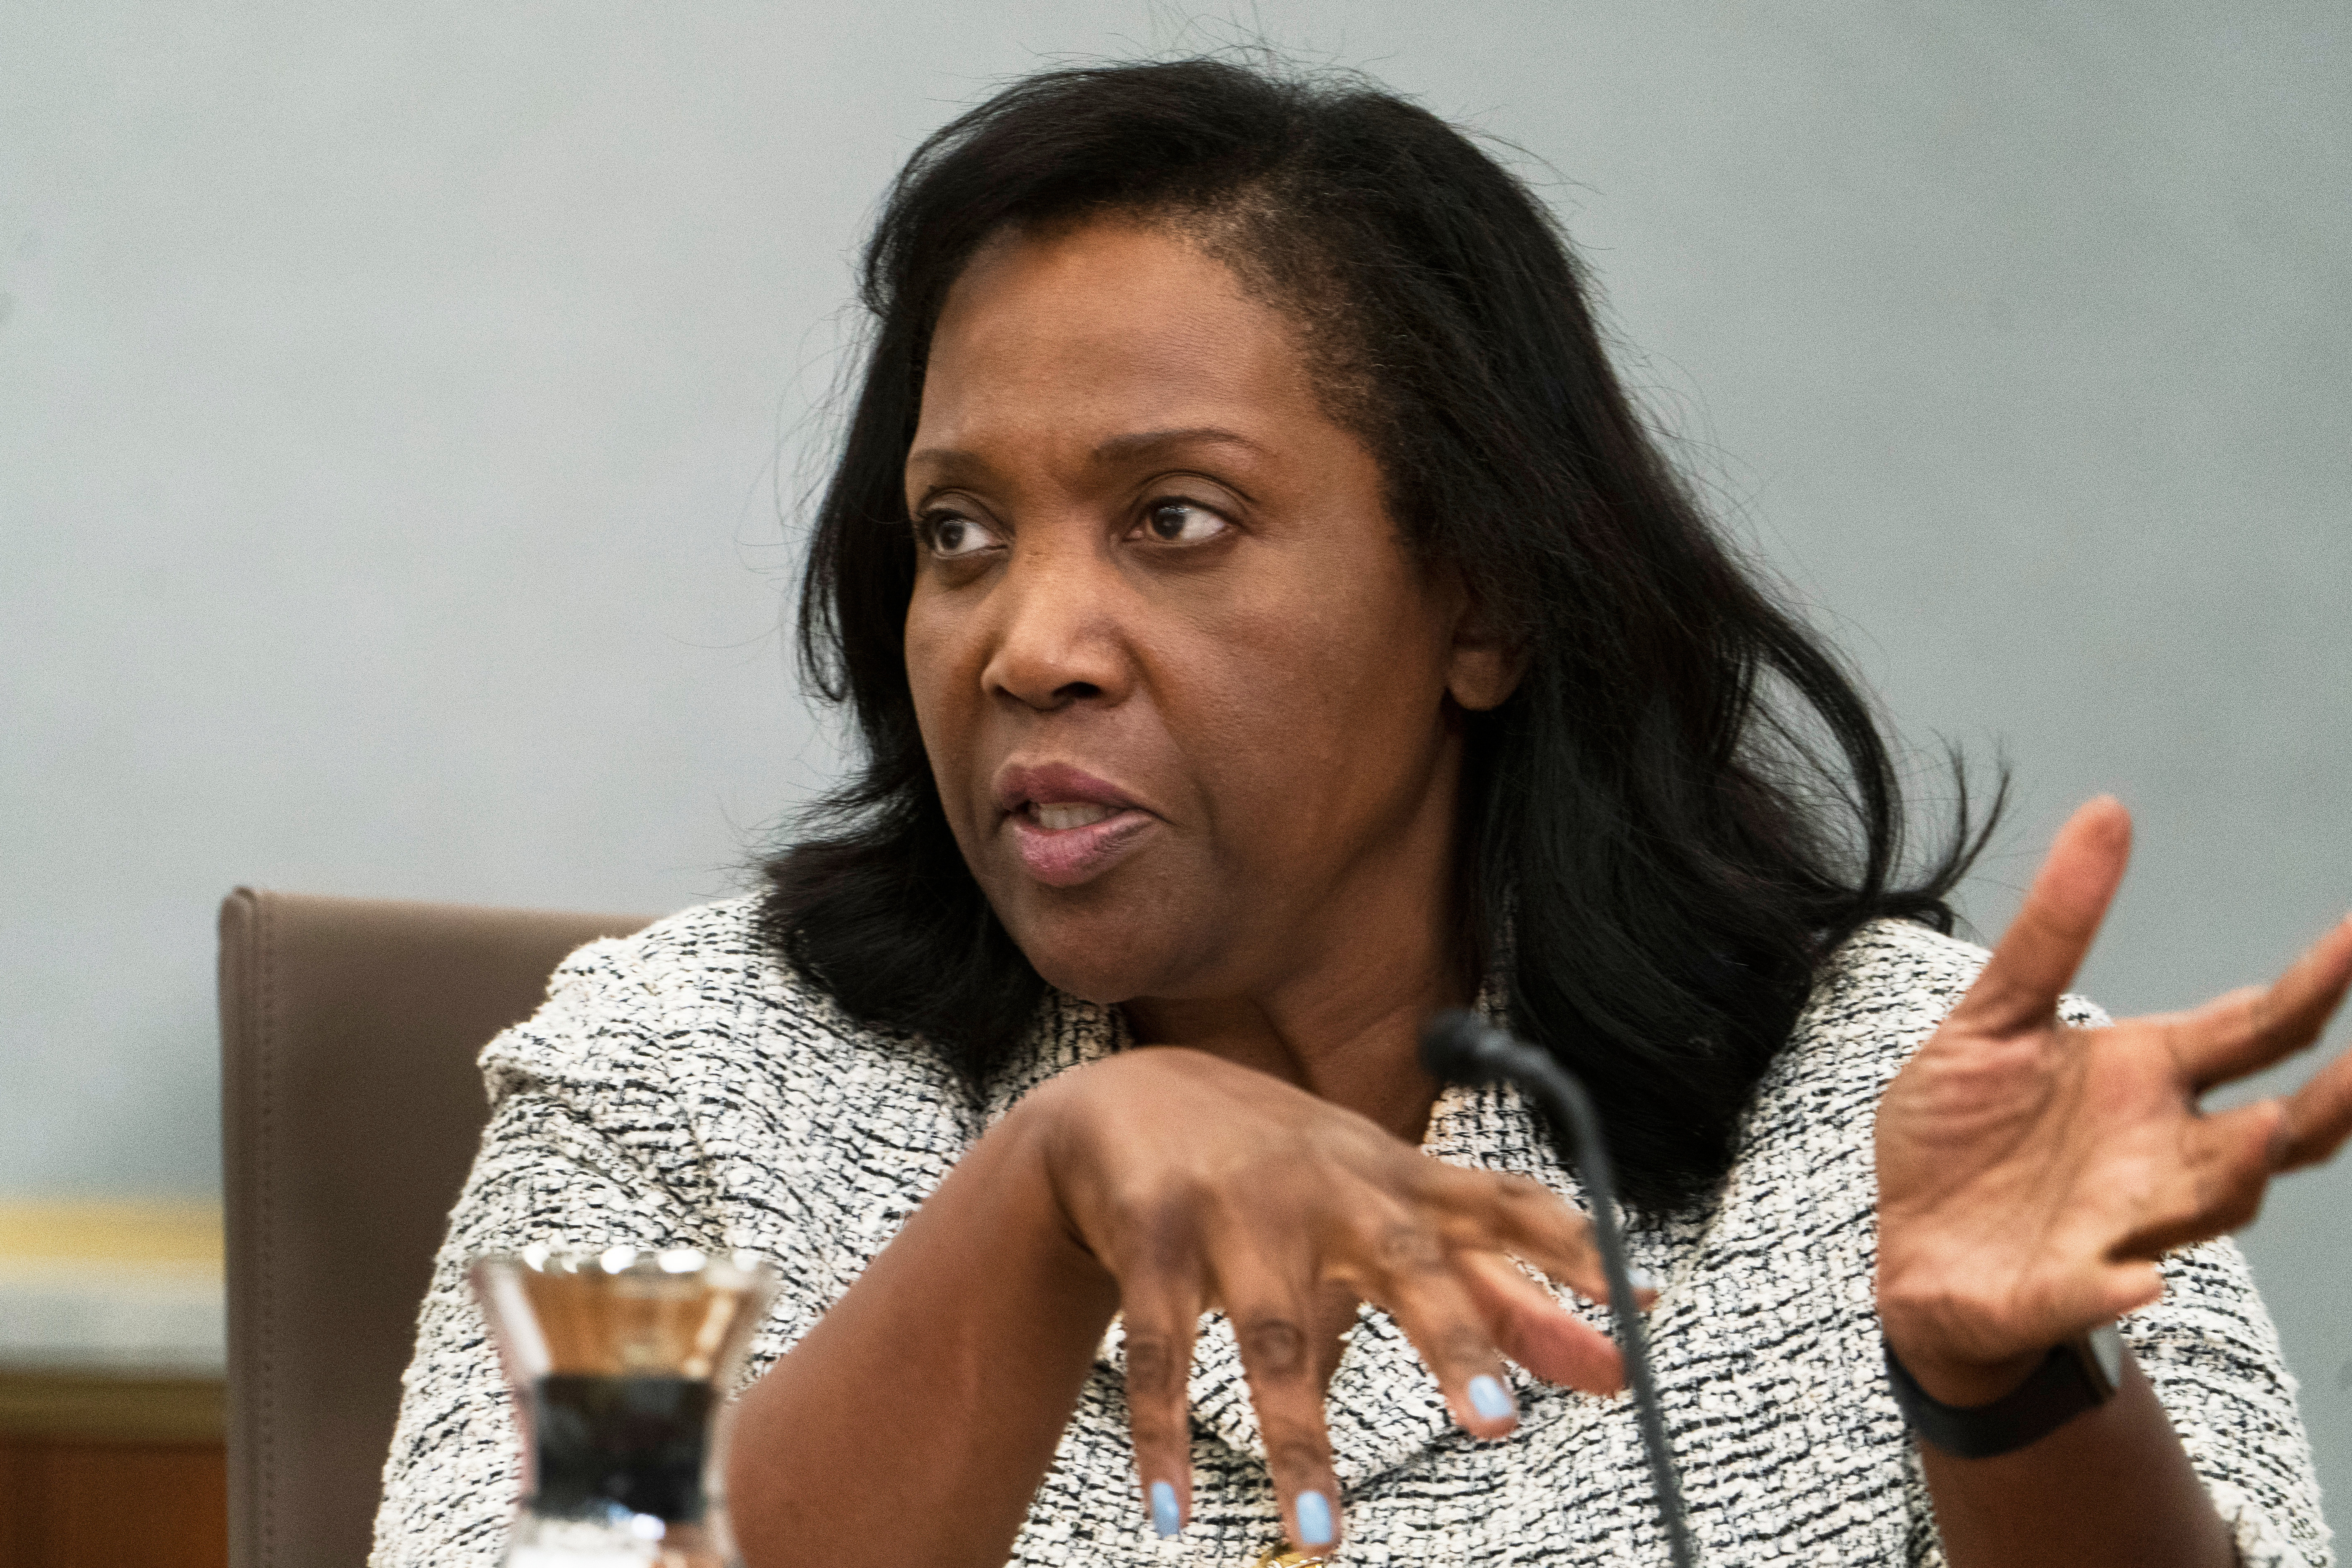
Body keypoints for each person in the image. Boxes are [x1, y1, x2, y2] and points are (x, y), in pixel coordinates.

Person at [373, 56, 2351, 1568]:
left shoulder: (1900, 1104)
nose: (1025, 643)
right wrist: (1034, 1201)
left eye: (1173, 519)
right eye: (957, 532)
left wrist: (2006, 1394)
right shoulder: (690, 1084)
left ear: (1478, 598)